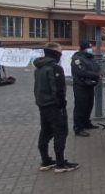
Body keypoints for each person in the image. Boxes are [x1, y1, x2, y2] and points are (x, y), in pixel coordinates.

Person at [33, 42, 79, 173]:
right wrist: (61, 104)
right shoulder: (55, 68)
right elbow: (58, 90)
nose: (61, 54)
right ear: (55, 53)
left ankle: (45, 160)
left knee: (45, 132)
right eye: (60, 51)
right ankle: (60, 163)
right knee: (60, 133)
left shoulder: (39, 67)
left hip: (43, 105)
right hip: (54, 106)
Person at [71, 41, 100, 137]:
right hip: (80, 86)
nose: (93, 49)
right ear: (85, 49)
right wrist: (96, 75)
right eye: (91, 48)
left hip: (89, 85)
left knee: (88, 105)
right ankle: (78, 128)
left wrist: (97, 73)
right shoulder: (77, 59)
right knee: (80, 107)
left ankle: (86, 123)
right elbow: (81, 72)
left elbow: (95, 68)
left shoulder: (90, 58)